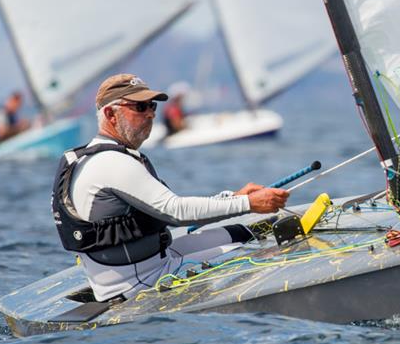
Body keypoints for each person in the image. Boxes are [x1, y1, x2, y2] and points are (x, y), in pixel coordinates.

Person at [51, 74, 289, 302]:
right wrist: (248, 204)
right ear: (111, 115)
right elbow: (175, 212)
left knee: (244, 233)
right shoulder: (111, 162)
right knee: (255, 251)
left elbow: (162, 209)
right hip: (142, 283)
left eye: (152, 106)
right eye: (140, 107)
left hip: (156, 261)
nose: (151, 114)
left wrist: (233, 198)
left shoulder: (103, 157)